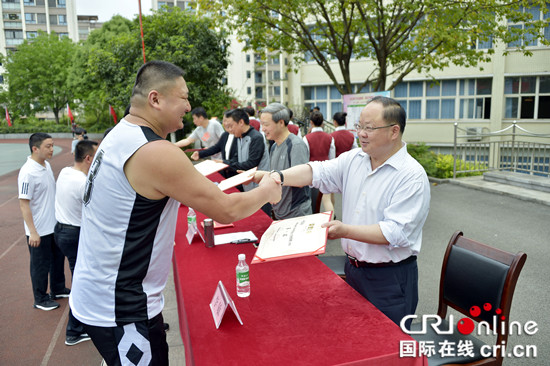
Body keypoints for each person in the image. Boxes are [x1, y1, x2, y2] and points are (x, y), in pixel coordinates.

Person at [70, 60, 281, 366]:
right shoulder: (153, 151)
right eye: (183, 97)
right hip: (122, 306)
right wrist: (269, 189)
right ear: (155, 99)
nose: (189, 105)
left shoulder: (120, 135)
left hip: (105, 293)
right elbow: (226, 210)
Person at [255, 97, 430, 328]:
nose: (361, 134)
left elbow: (394, 233)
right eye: (359, 126)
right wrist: (280, 176)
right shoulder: (354, 159)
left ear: (394, 131)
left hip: (389, 278)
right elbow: (316, 172)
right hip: (354, 270)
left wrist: (344, 230)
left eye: (369, 128)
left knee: (386, 345)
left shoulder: (411, 176)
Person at [54, 139, 98, 346]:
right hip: (74, 235)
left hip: (61, 230)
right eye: (97, 157)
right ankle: (74, 330)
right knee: (82, 282)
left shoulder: (65, 172)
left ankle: (82, 323)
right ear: (88, 159)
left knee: (81, 279)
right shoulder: (83, 184)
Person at [18, 133, 68, 311]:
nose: (52, 149)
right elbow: (24, 203)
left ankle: (58, 288)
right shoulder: (27, 172)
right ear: (35, 148)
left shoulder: (45, 165)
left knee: (57, 259)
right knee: (40, 265)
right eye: (48, 146)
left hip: (53, 225)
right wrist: (32, 231)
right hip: (38, 230)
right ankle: (40, 298)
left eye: (53, 145)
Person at [260, 102, 311, 220]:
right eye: (262, 125)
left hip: (295, 213)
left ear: (281, 123)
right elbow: (274, 174)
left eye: (266, 124)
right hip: (279, 211)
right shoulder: (274, 146)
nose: (263, 129)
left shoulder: (296, 145)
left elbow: (301, 180)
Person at [303, 110, 335, 213]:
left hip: (312, 173)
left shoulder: (306, 138)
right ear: (322, 123)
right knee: (327, 200)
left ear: (311, 122)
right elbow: (332, 157)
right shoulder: (330, 138)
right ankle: (330, 220)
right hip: (326, 171)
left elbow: (305, 157)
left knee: (313, 202)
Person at [191, 111, 238, 178]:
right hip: (227, 171)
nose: (225, 123)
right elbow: (216, 148)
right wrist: (200, 154)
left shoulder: (240, 136)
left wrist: (224, 162)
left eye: (227, 121)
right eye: (224, 121)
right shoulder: (225, 135)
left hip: (237, 172)